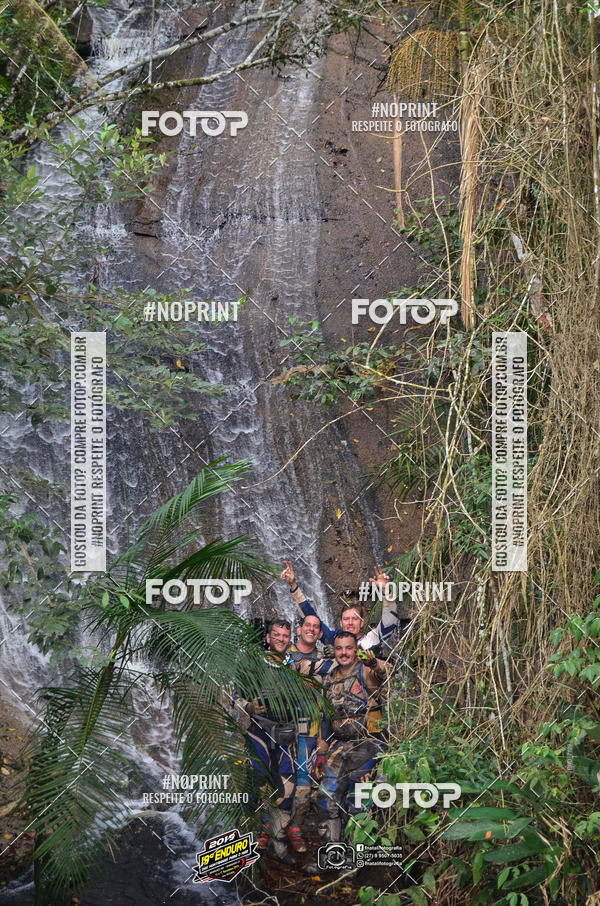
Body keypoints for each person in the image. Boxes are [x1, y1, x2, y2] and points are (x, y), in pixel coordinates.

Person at [299, 631, 387, 843]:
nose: (344, 653)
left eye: (349, 648)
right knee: (325, 798)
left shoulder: (366, 671)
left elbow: (385, 673)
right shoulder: (329, 678)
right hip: (339, 746)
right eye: (339, 649)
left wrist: (374, 662)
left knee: (358, 803)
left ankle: (354, 862)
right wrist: (322, 744)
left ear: (355, 650)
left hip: (367, 745)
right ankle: (332, 853)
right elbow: (326, 715)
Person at [232, 618, 299, 864]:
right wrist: (248, 706)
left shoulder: (295, 666)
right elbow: (235, 697)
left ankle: (278, 844)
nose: (281, 639)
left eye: (285, 635)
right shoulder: (251, 664)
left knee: (287, 789)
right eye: (277, 635)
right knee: (257, 783)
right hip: (259, 732)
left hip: (286, 735)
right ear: (268, 638)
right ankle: (251, 840)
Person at [280, 560, 399, 653]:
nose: (350, 623)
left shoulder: (373, 638)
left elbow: (389, 621)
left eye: (355, 618)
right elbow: (311, 617)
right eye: (346, 619)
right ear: (341, 623)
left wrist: (386, 591)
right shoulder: (333, 639)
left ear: (362, 623)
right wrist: (294, 586)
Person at [284, 614, 324, 852]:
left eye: (316, 627)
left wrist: (323, 737)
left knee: (303, 780)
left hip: (310, 728)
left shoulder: (324, 660)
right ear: (299, 629)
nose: (311, 629)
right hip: (282, 726)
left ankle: (295, 827)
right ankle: (272, 828)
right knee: (279, 777)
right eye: (307, 625)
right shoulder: (283, 653)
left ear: (320, 634)